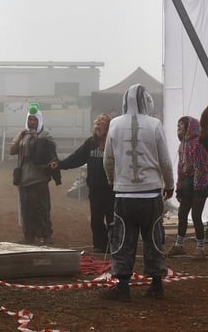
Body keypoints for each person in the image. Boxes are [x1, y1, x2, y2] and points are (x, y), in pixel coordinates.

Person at [101, 84, 174, 301]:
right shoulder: (155, 124)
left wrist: (113, 181)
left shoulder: (114, 124)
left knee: (122, 239)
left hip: (124, 196)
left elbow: (108, 160)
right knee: (154, 238)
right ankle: (156, 285)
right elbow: (165, 161)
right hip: (151, 195)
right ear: (147, 101)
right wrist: (169, 185)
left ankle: (123, 286)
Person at [51, 113, 114, 254]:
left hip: (111, 189)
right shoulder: (90, 143)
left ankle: (116, 245)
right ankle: (100, 245)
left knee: (112, 220)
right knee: (96, 220)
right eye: (97, 119)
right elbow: (76, 158)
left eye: (102, 120)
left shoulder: (112, 142)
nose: (98, 121)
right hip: (95, 189)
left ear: (108, 125)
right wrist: (60, 164)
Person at [9, 105, 59, 246]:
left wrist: (37, 141)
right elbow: (12, 150)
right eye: (30, 119)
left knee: (42, 210)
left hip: (39, 179)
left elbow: (51, 152)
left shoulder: (46, 135)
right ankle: (29, 236)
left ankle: (46, 236)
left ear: (39, 120)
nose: (32, 122)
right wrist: (20, 136)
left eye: (35, 120)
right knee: (27, 210)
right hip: (24, 179)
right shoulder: (23, 135)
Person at [166, 115, 208, 259]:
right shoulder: (182, 145)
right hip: (187, 184)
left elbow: (201, 166)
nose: (178, 127)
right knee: (182, 214)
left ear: (189, 127)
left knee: (196, 216)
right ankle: (179, 246)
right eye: (177, 124)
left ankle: (200, 248)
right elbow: (181, 168)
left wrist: (198, 187)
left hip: (200, 183)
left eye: (181, 124)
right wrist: (179, 187)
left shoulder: (198, 143)